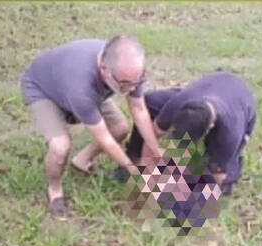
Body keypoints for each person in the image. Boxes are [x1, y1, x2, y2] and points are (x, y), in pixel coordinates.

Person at [20, 36, 162, 216]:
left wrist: (156, 151)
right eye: (125, 85)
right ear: (104, 69)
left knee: (120, 128)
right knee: (60, 146)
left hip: (83, 88)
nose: (132, 90)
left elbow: (139, 107)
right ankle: (54, 189)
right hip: (42, 89)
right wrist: (135, 171)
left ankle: (82, 161)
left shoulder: (129, 70)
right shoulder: (80, 87)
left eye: (136, 83)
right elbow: (103, 138)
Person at [116, 71, 257, 196]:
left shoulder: (229, 134)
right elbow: (153, 133)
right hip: (213, 86)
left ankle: (235, 164)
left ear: (209, 128)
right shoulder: (179, 103)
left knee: (218, 187)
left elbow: (218, 178)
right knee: (150, 102)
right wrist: (146, 172)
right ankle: (133, 155)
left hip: (241, 104)